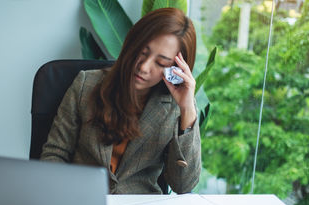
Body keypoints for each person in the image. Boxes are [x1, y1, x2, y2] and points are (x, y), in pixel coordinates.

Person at [41, 8, 201, 194]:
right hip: (81, 199)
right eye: (142, 52)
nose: (143, 67)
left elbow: (183, 185)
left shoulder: (177, 107)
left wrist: (187, 109)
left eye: (161, 63)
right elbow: (54, 154)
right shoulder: (86, 84)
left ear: (175, 69)